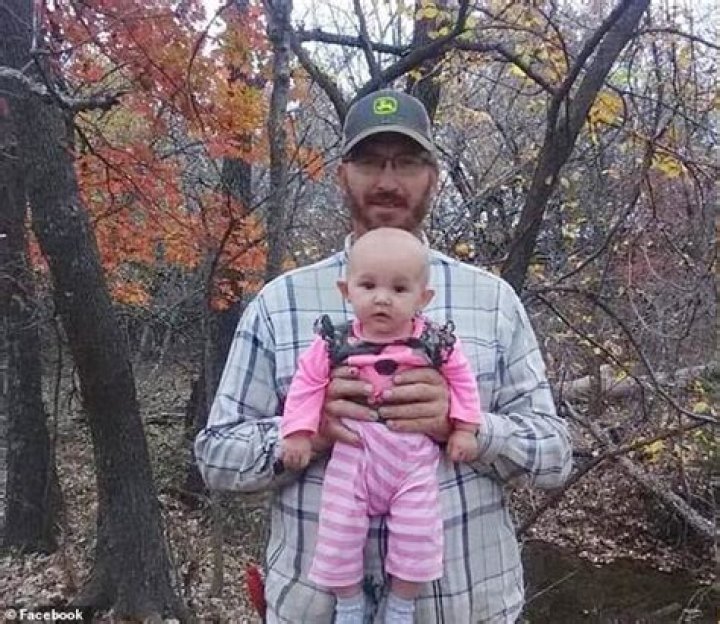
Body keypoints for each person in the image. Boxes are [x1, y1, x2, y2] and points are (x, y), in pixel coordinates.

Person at [194, 88, 572, 623]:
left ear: (433, 177)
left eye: (407, 162)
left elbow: (555, 456)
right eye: (370, 161)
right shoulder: (281, 303)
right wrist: (310, 429)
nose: (388, 181)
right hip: (315, 612)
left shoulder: (493, 301)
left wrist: (465, 425)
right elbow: (215, 458)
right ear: (342, 175)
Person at [280, 227, 481, 624]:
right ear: (346, 290)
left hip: (413, 461)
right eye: (368, 285)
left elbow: (463, 383)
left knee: (419, 536)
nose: (382, 298)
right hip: (353, 455)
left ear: (423, 298)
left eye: (399, 288)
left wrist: (464, 428)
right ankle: (349, 603)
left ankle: (401, 605)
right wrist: (299, 433)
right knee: (337, 532)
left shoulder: (437, 343)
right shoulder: (333, 342)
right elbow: (307, 385)